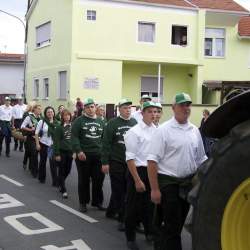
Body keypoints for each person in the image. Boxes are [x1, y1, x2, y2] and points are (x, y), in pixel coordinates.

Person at [147, 93, 207, 250]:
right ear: (173, 108)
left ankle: (159, 244)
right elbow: (152, 161)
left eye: (188, 104)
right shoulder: (164, 130)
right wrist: (154, 190)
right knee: (173, 226)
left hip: (187, 184)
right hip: (169, 184)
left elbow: (201, 159)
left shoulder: (194, 131)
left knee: (176, 223)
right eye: (182, 105)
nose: (186, 108)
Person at [124, 101, 157, 250]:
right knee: (132, 206)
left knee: (149, 206)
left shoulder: (156, 130)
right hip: (137, 171)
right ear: (142, 113)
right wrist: (137, 180)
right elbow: (130, 158)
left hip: (152, 171)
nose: (153, 114)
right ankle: (130, 237)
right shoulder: (134, 132)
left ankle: (150, 232)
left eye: (155, 111)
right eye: (150, 111)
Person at [101, 99, 137, 231]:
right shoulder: (112, 123)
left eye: (129, 108)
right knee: (119, 190)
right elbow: (106, 144)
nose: (128, 110)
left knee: (128, 191)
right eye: (125, 108)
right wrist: (105, 162)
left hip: (131, 162)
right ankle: (122, 218)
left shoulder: (134, 122)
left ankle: (111, 211)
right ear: (119, 109)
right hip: (116, 161)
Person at [72, 98, 105, 213]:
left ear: (95, 107)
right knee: (84, 180)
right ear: (84, 109)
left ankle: (97, 202)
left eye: (92, 107)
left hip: (98, 156)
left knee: (98, 180)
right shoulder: (79, 121)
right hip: (83, 156)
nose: (90, 109)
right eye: (87, 107)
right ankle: (83, 203)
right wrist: (79, 151)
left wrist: (105, 155)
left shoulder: (101, 121)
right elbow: (74, 137)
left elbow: (104, 139)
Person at [35, 106, 59, 185]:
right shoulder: (42, 122)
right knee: (43, 161)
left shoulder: (57, 122)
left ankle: (55, 181)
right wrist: (37, 144)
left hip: (52, 145)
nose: (50, 113)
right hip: (43, 143)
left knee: (53, 163)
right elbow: (36, 133)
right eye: (48, 112)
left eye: (51, 112)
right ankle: (42, 178)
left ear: (54, 113)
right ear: (45, 113)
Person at [54, 109, 73, 199]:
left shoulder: (72, 126)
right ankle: (64, 189)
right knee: (61, 169)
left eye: (68, 115)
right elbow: (56, 141)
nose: (67, 117)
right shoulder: (59, 127)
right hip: (62, 151)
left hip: (70, 151)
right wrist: (57, 154)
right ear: (62, 117)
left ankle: (60, 182)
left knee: (68, 170)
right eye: (65, 115)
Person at [21, 104, 42, 176]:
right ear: (34, 109)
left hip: (39, 138)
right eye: (38, 109)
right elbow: (22, 126)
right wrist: (30, 129)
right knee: (34, 154)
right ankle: (35, 171)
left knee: (34, 154)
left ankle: (32, 167)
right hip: (31, 138)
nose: (40, 110)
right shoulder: (29, 117)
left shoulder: (41, 118)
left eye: (40, 109)